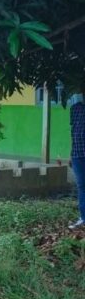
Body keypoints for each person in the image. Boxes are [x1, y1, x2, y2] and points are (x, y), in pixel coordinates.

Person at [69, 93, 85, 230]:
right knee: (81, 186)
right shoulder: (74, 109)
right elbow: (73, 133)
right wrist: (71, 154)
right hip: (77, 154)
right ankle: (83, 218)